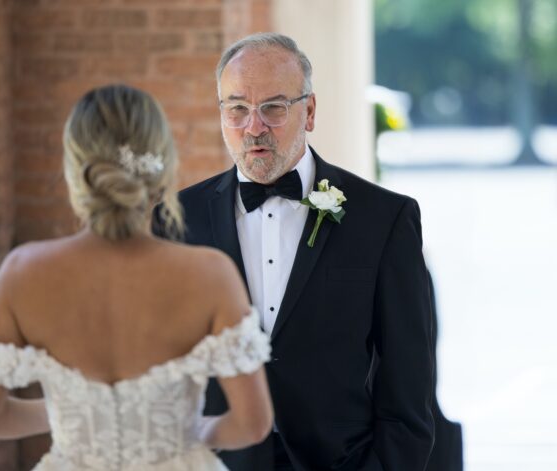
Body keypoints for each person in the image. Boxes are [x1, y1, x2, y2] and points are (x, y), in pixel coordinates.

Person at [0, 84, 274, 470]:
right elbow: (252, 424)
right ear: (161, 169)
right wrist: (191, 433)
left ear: (76, 170)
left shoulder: (22, 273)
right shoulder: (210, 275)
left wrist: (69, 412)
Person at [174, 32, 436, 469]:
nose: (253, 127)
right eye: (237, 108)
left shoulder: (384, 219)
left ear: (309, 111)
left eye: (273, 108)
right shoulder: (176, 219)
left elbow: (409, 391)